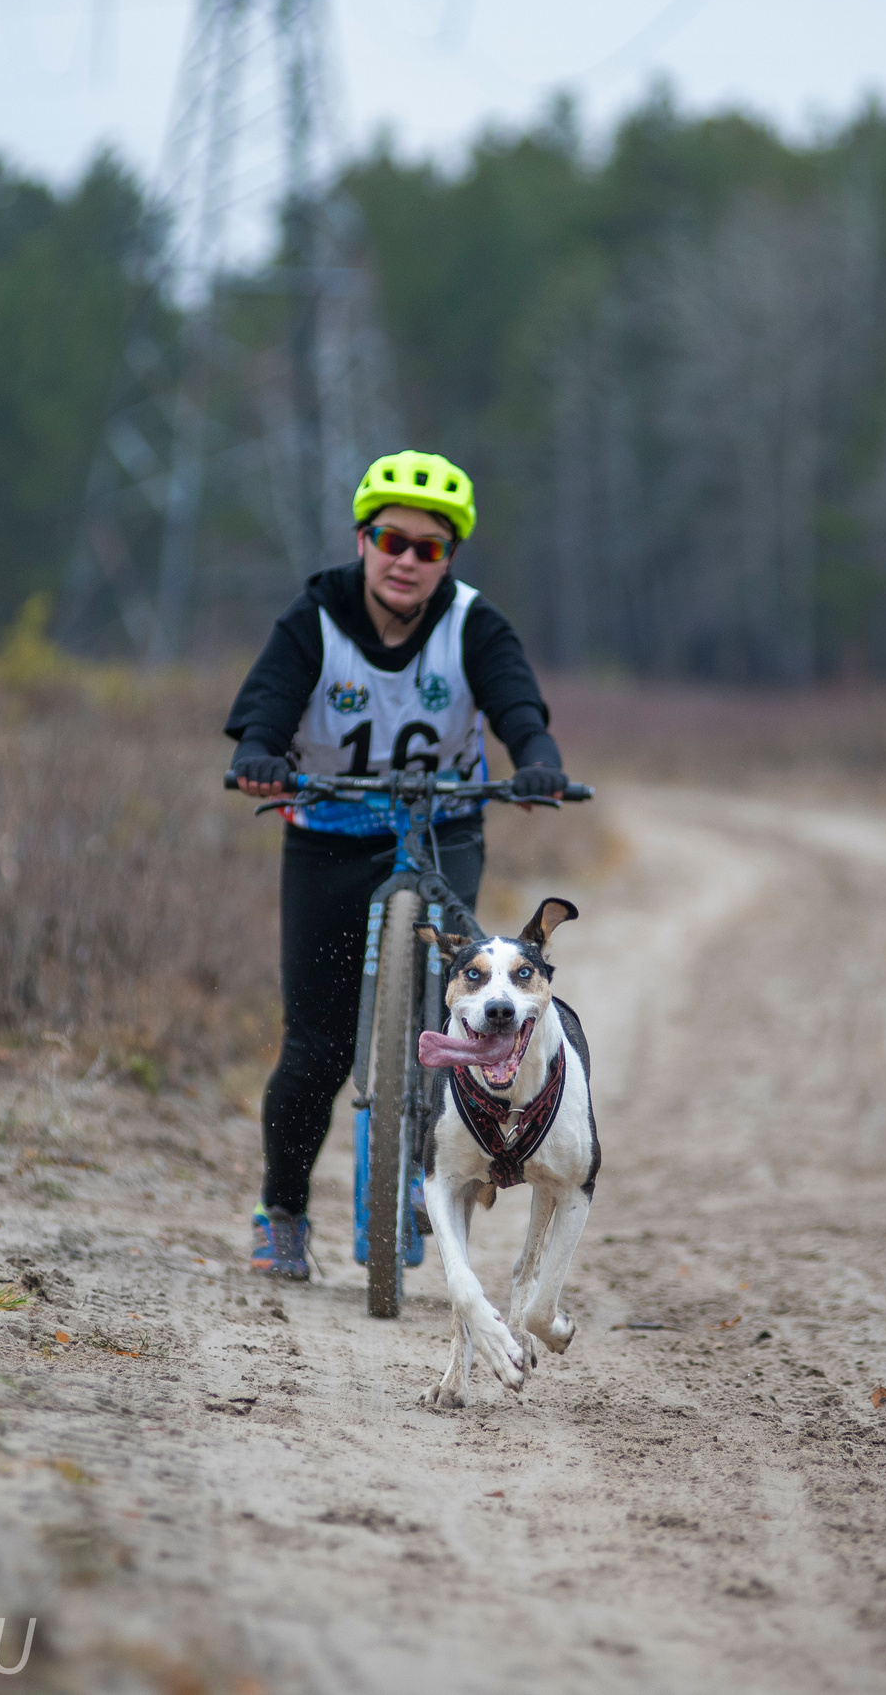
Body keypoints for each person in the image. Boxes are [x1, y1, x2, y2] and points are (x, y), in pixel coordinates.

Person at [225, 449, 569, 1280]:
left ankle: (429, 1169)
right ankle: (284, 1213)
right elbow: (268, 703)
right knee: (315, 1045)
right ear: (362, 540)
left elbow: (516, 702)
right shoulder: (315, 617)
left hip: (441, 829)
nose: (407, 560)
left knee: (459, 1015)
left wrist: (537, 758)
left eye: (429, 547)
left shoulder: (473, 624)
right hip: (328, 832)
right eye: (391, 540)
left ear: (448, 557)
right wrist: (261, 751)